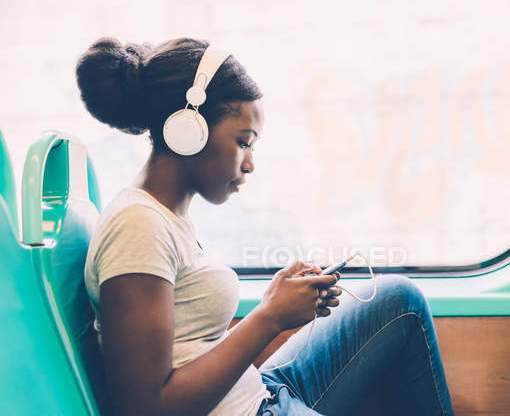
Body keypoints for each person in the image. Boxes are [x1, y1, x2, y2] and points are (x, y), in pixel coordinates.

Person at [77, 37, 454, 416]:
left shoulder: (166, 216)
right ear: (188, 130)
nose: (250, 164)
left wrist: (276, 299)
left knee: (399, 301)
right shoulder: (138, 226)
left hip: (259, 390)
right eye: (243, 142)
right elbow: (148, 408)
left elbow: (189, 343)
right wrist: (270, 316)